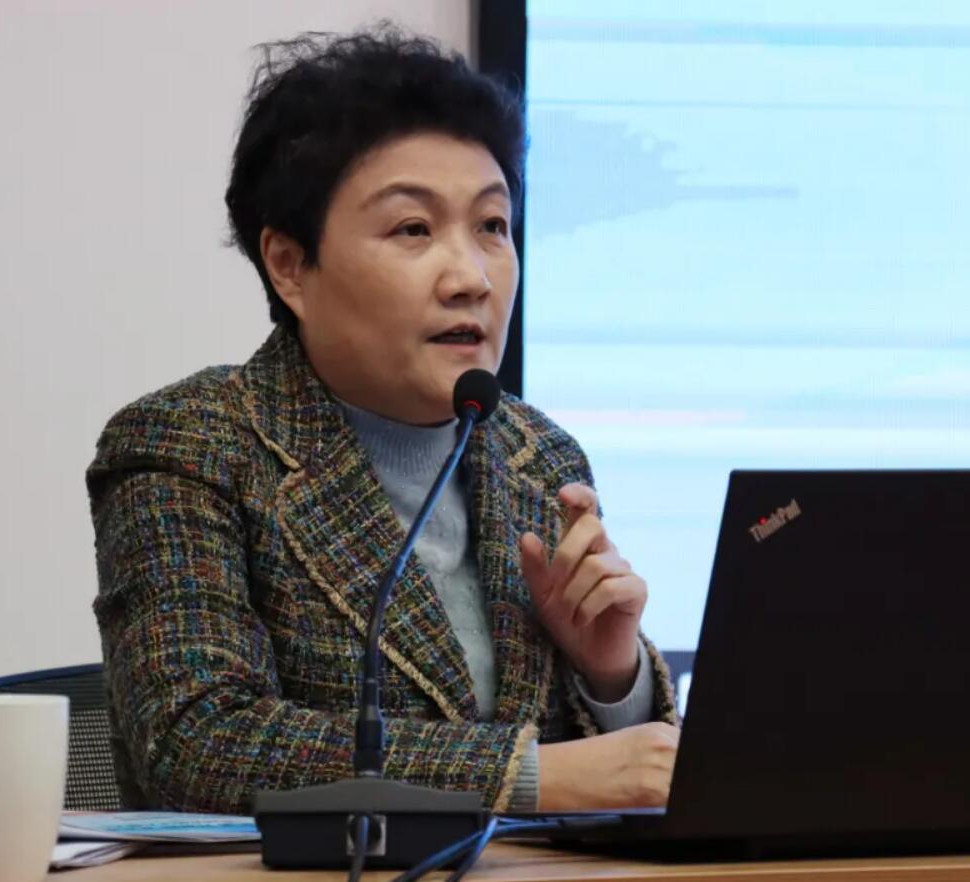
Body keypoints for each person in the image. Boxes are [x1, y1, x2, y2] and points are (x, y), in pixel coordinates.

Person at [87, 27, 680, 816]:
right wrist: (534, 775)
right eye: (413, 229)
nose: (471, 278)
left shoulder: (537, 455)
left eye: (492, 226)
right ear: (290, 265)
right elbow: (197, 742)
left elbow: (614, 775)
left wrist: (610, 679)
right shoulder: (191, 444)